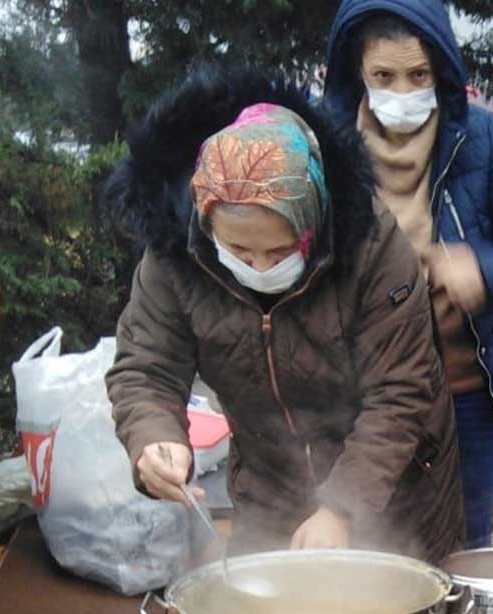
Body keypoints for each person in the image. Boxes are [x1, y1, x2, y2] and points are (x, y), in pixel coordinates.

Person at [108, 67, 463, 562]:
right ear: (206, 226)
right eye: (239, 250)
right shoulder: (175, 258)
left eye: (278, 251)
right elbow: (146, 368)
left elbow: (400, 391)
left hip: (397, 487)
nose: (258, 266)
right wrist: (154, 438)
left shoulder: (371, 245)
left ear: (312, 224)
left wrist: (341, 509)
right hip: (269, 488)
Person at [322, 0, 493, 549]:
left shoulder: (484, 139)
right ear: (357, 72)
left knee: (462, 537)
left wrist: (481, 268)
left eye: (418, 75)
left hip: (470, 387)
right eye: (384, 76)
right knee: (366, 533)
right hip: (364, 392)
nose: (402, 91)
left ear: (442, 69)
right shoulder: (326, 143)